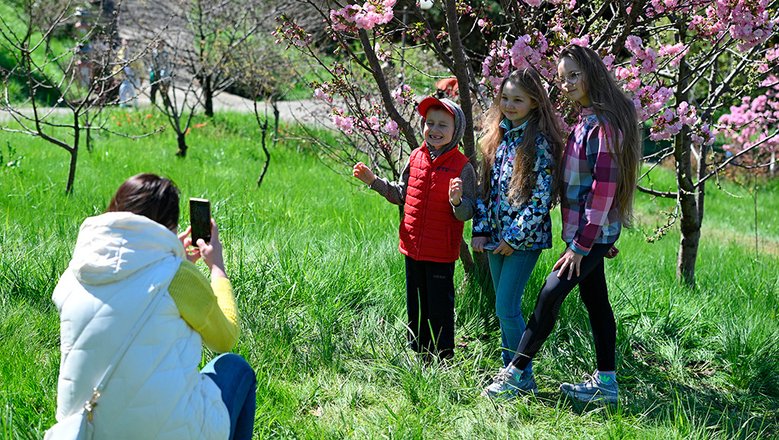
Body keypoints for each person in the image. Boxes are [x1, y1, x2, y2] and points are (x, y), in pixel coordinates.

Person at [483, 45, 640, 403]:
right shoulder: (589, 119)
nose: (567, 83)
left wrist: (584, 244)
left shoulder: (603, 124)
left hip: (587, 236)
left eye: (574, 75)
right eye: (562, 76)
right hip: (591, 232)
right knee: (596, 302)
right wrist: (597, 235)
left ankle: (517, 373)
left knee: (549, 295)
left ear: (592, 74)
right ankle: (606, 383)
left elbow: (604, 187)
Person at [47, 174, 256, 439]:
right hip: (166, 432)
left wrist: (170, 258)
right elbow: (225, 338)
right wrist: (217, 268)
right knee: (235, 368)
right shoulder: (177, 277)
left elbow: (130, 295)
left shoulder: (76, 273)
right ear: (169, 225)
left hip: (84, 430)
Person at [353, 97, 476, 359]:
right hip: (412, 246)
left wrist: (456, 200)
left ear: (457, 131)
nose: (435, 129)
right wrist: (373, 181)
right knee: (415, 303)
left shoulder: (462, 166)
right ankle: (419, 352)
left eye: (443, 125)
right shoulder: (416, 156)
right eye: (430, 123)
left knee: (439, 306)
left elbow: (467, 212)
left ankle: (443, 355)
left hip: (440, 250)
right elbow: (402, 194)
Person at [474, 68, 564, 398]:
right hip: (495, 237)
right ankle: (509, 370)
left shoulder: (538, 143)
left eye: (518, 100)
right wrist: (482, 230)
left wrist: (514, 237)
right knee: (503, 307)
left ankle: (519, 375)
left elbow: (541, 200)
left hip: (522, 240)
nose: (510, 105)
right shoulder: (495, 138)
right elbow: (483, 190)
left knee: (506, 307)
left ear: (534, 103)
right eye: (505, 98)